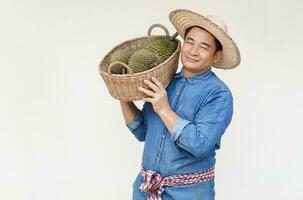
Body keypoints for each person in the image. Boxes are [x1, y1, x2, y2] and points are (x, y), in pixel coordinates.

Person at [119, 9, 241, 200]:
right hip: (145, 190)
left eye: (204, 47)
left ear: (216, 56)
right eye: (190, 42)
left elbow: (199, 144)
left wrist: (164, 108)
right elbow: (142, 131)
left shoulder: (219, 95)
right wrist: (123, 93)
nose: (193, 51)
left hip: (188, 194)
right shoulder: (164, 81)